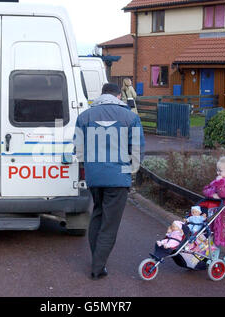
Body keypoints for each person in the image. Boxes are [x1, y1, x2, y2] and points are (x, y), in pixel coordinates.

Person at [74, 83, 145, 280]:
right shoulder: (130, 117)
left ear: (102, 94)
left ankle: (97, 259)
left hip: (94, 176)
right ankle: (98, 267)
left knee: (97, 214)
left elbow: (78, 149)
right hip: (118, 177)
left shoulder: (85, 116)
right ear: (118, 95)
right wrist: (129, 171)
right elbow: (137, 149)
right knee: (110, 223)